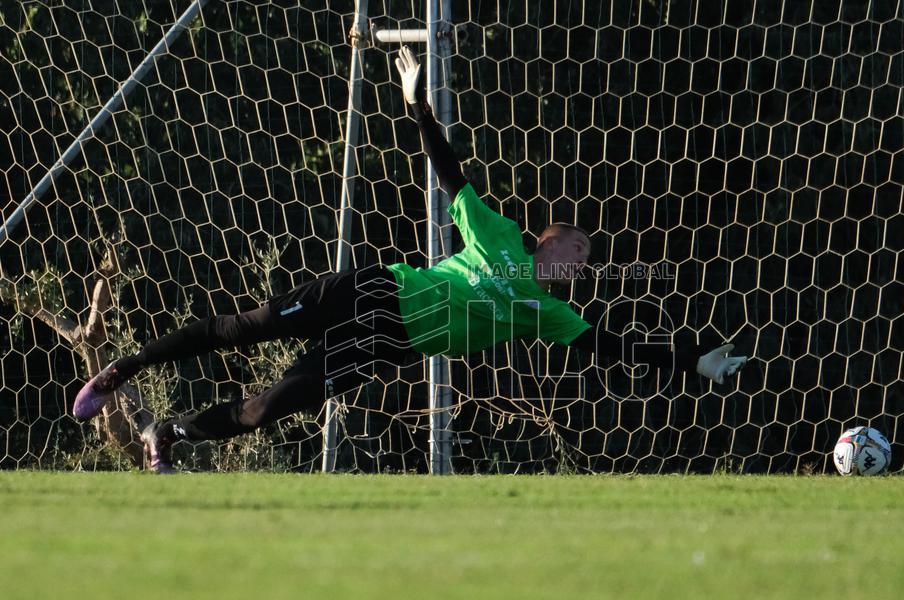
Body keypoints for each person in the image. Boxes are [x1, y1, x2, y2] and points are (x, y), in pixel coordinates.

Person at [72, 47, 748, 473]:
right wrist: (416, 105)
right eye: (580, 248)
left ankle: (173, 430)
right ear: (550, 239)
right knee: (245, 326)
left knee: (270, 406)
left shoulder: (548, 312)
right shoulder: (498, 235)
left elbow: (613, 344)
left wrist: (692, 358)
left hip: (389, 343)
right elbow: (450, 173)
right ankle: (120, 370)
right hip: (373, 292)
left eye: (589, 260)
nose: (584, 262)